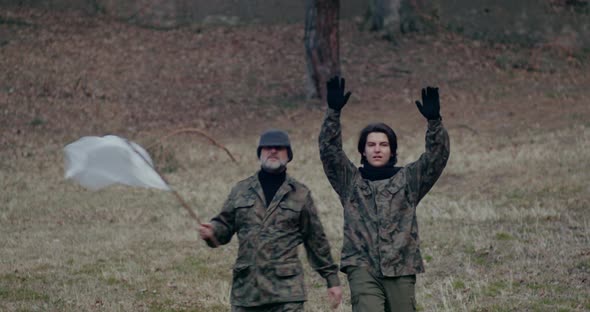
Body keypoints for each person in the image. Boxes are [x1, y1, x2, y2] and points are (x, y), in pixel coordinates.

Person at [318, 76, 450, 312]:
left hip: (401, 268)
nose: (377, 149)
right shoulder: (350, 181)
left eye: (383, 144)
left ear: (392, 150)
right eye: (371, 145)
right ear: (362, 151)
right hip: (362, 267)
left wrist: (434, 122)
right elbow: (329, 152)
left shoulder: (409, 180)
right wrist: (333, 113)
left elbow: (436, 157)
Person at [199, 129, 343, 312]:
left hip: (287, 294)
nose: (273, 151)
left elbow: (316, 240)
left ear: (288, 155)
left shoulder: (300, 194)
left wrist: (332, 280)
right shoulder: (241, 190)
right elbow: (224, 225)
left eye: (279, 147)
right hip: (247, 292)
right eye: (267, 147)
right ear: (260, 153)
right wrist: (212, 230)